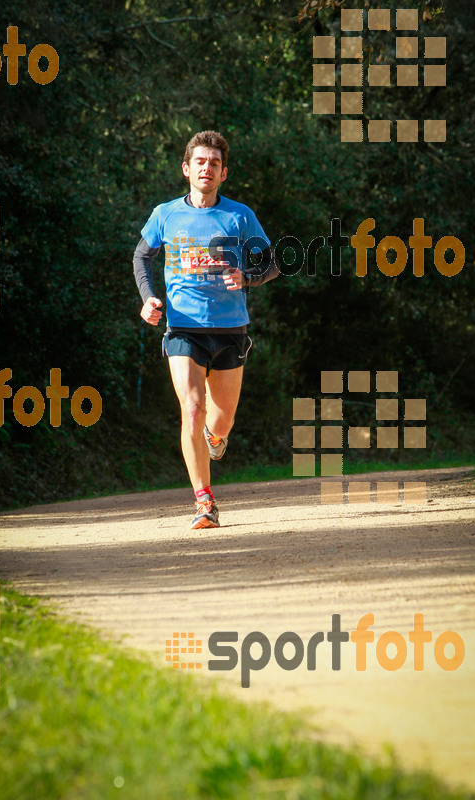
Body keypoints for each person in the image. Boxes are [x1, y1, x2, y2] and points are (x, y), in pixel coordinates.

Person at [133, 130, 279, 529]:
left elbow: (271, 263)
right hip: (183, 328)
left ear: (223, 173)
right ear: (186, 168)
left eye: (214, 163)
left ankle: (216, 439)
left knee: (222, 419)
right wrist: (148, 298)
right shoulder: (165, 214)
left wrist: (246, 276)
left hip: (231, 330)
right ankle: (204, 501)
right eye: (200, 162)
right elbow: (142, 256)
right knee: (193, 408)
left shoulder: (239, 215)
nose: (206, 168)